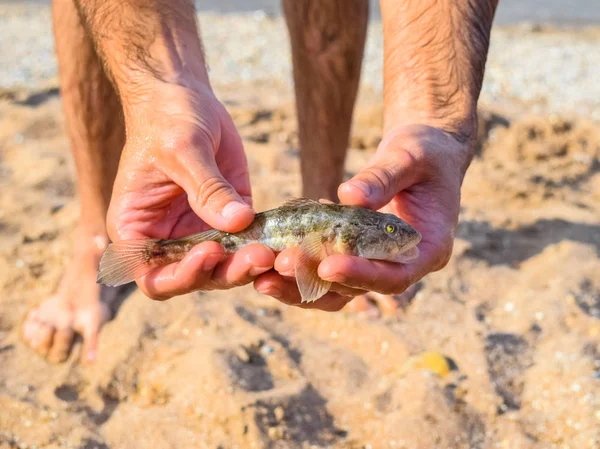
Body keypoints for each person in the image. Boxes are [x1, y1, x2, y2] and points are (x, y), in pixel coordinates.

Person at [22, 0, 498, 363]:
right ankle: (95, 232)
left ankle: (324, 181)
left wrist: (432, 121)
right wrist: (160, 91)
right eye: (390, 230)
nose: (397, 233)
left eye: (389, 230)